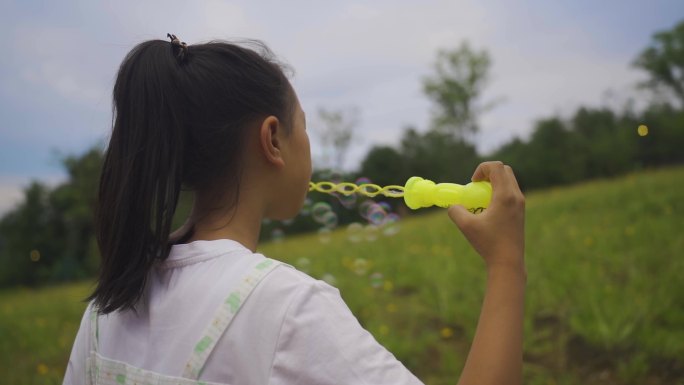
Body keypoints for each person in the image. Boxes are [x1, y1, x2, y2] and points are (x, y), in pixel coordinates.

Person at [63, 34, 526, 385]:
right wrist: (506, 262)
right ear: (272, 140)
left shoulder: (108, 308)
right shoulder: (288, 308)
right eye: (303, 126)